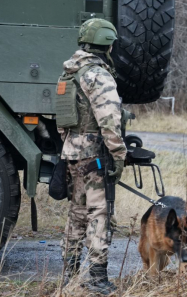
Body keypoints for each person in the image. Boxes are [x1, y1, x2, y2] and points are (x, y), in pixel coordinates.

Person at [56, 18, 126, 295]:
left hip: (72, 152)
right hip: (96, 154)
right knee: (99, 213)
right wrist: (118, 155)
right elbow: (109, 120)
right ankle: (97, 279)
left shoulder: (68, 74)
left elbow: (62, 122)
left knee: (77, 214)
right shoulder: (98, 75)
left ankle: (69, 275)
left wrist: (72, 145)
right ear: (108, 44)